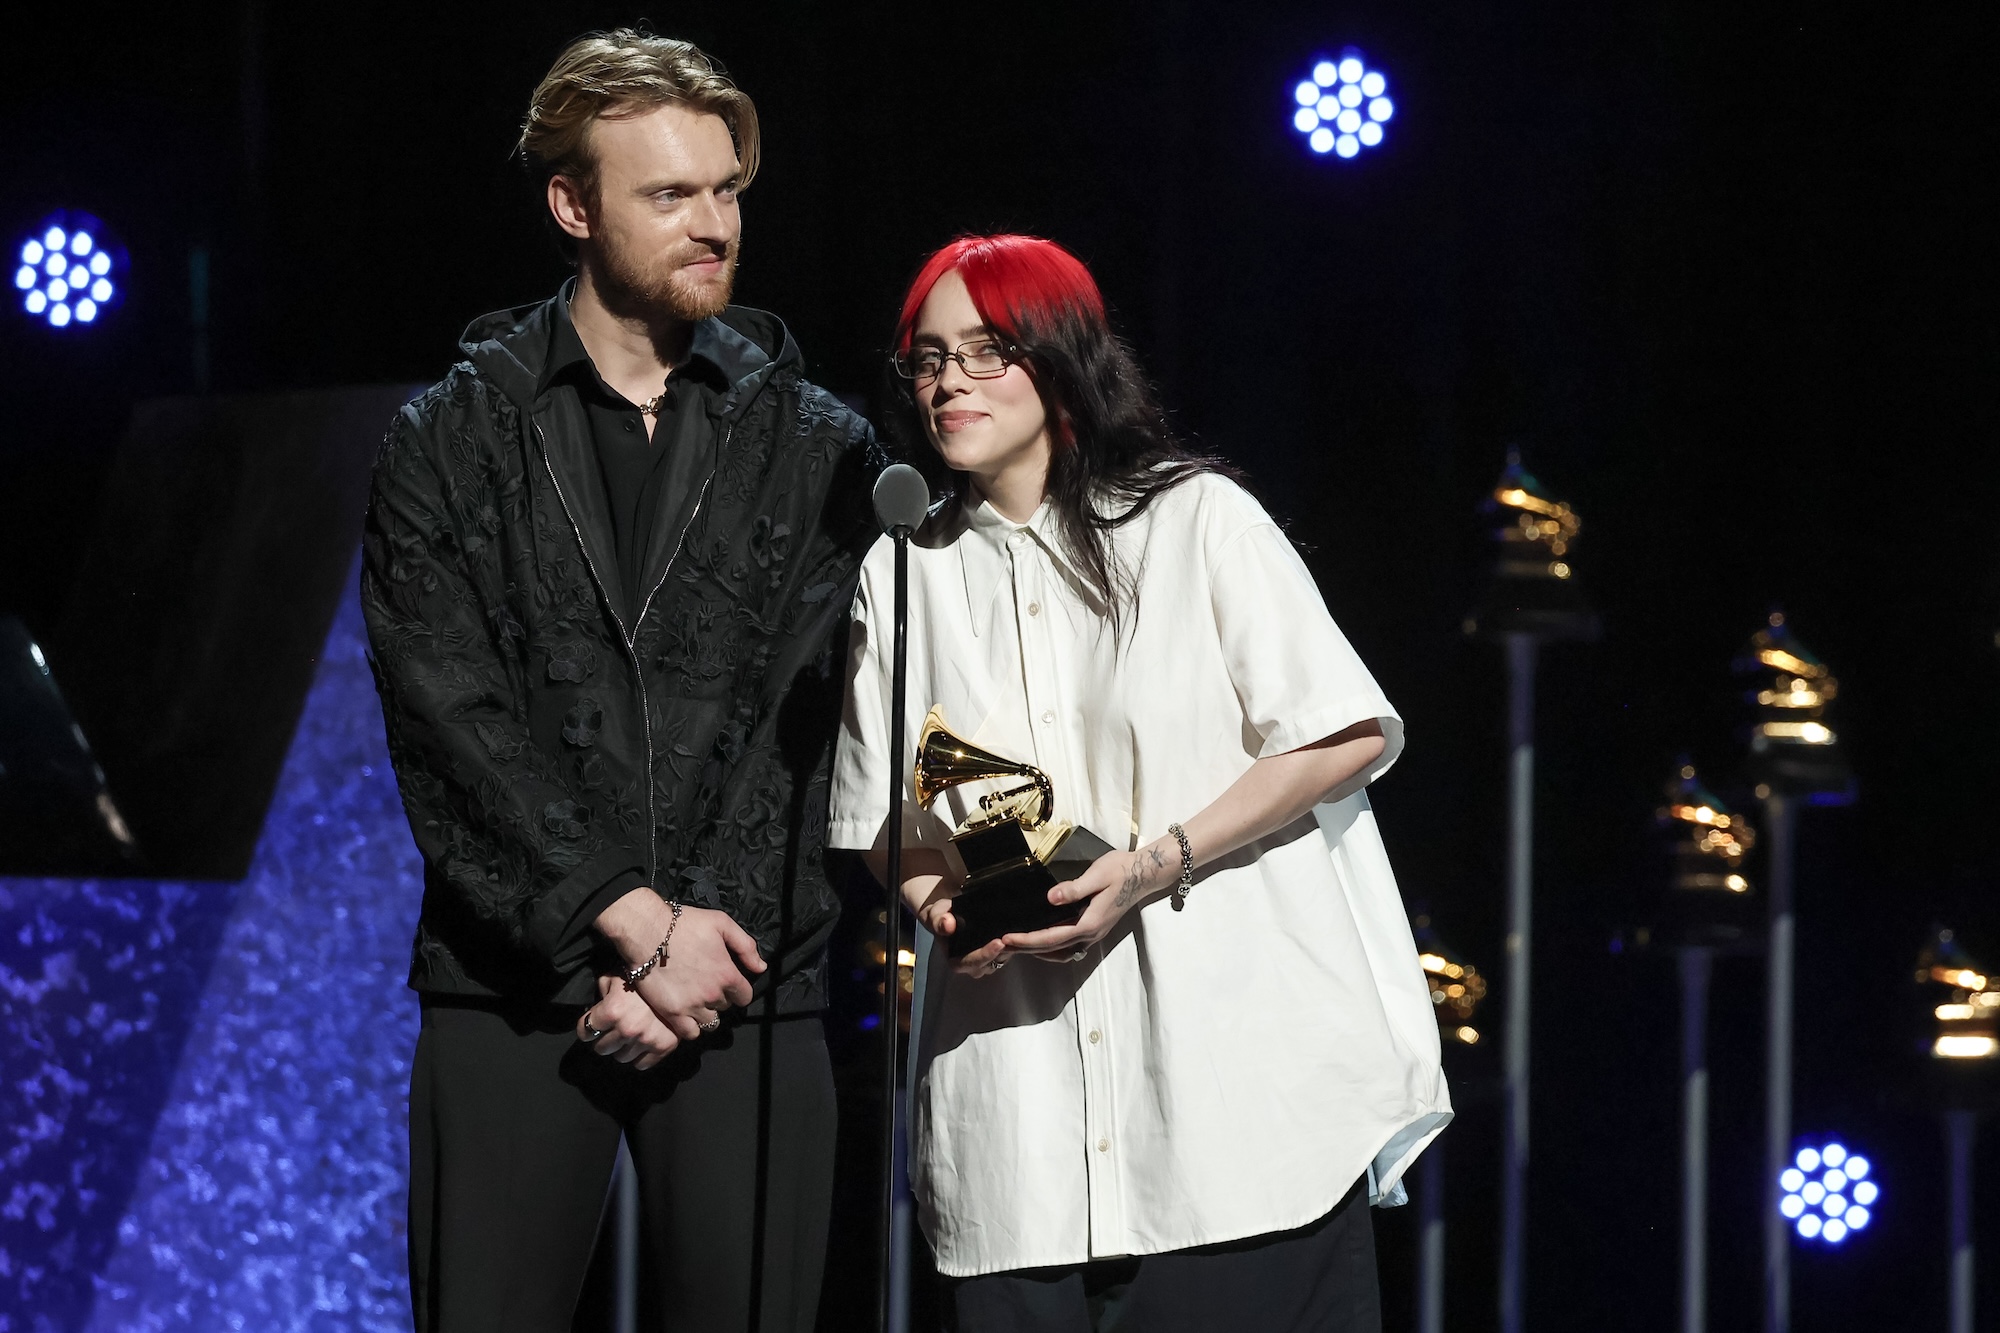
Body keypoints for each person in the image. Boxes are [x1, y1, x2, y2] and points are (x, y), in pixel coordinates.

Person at [828, 235, 1450, 1331]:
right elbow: (886, 812)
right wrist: (940, 900)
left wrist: (1152, 862)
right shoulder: (903, 567)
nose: (948, 383)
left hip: (1234, 1126)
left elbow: (1341, 732)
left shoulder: (1194, 520)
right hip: (1014, 1142)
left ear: (1063, 361)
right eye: (927, 360)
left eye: (986, 351)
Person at [360, 29, 876, 1333]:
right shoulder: (450, 435)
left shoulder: (821, 444)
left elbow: (808, 726)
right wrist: (629, 921)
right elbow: (446, 713)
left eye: (726, 191)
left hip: (748, 979)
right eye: (671, 196)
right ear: (572, 205)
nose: (714, 225)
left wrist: (701, 940)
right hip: (516, 986)